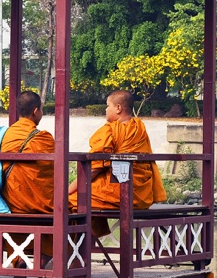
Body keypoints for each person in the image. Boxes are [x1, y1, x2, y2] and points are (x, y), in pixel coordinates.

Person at [69, 90, 166, 237]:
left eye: (108, 106)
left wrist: (68, 190)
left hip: (119, 192)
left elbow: (93, 169)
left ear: (118, 108)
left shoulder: (110, 130)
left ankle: (67, 247)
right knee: (87, 199)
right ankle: (80, 245)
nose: (105, 110)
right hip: (141, 195)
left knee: (69, 201)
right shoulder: (140, 127)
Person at [0, 90, 55, 213]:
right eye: (41, 110)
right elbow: (52, 171)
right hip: (39, 205)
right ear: (35, 111)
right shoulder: (43, 138)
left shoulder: (4, 135)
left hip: (10, 203)